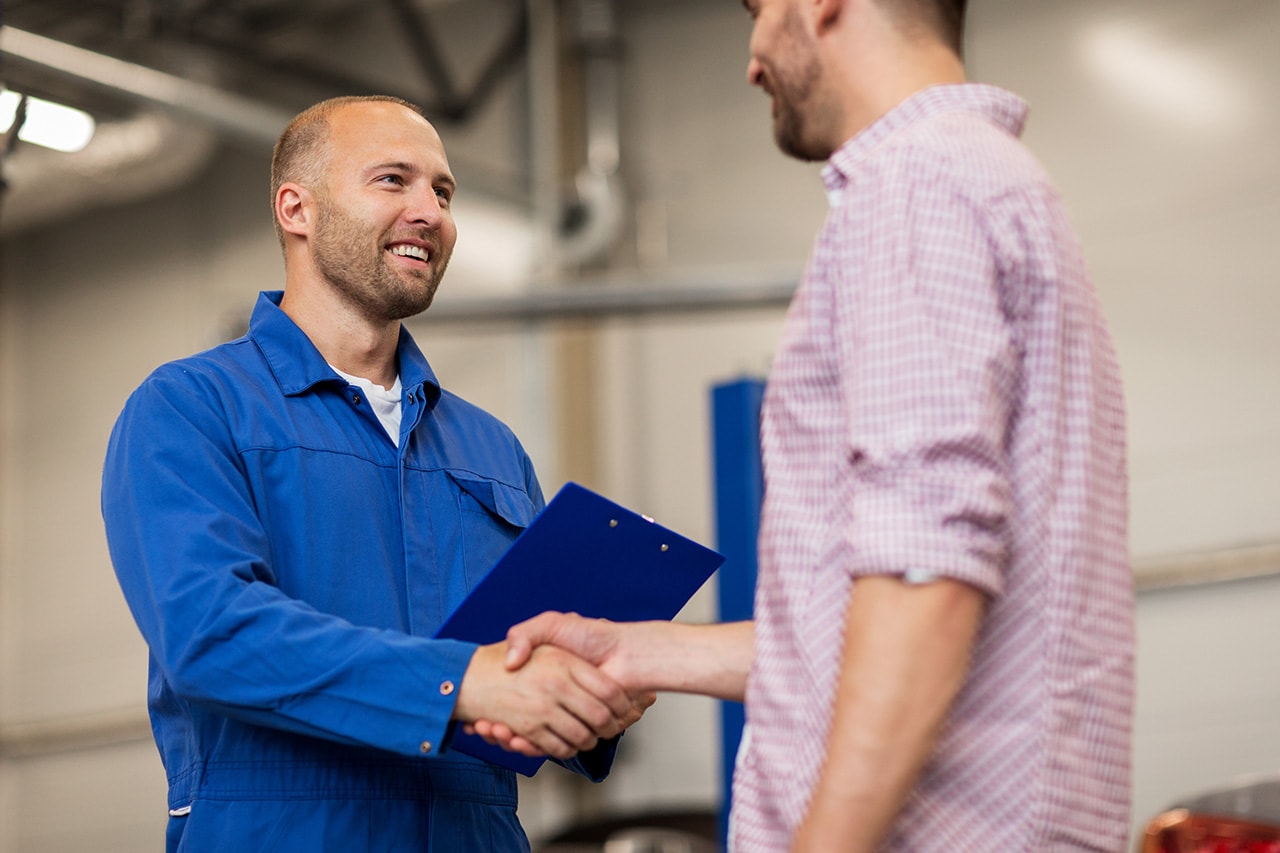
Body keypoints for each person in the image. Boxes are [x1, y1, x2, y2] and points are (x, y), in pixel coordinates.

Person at [475, 0, 1135, 850]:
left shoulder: (913, 187)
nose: (752, 60)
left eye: (757, 12)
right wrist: (641, 653)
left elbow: (925, 575)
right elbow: (879, 617)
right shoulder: (995, 183)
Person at [101, 95, 648, 853]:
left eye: (444, 191)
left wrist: (591, 698)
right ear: (298, 209)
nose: (430, 211)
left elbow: (525, 668)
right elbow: (212, 634)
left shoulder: (492, 448)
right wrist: (461, 683)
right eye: (393, 180)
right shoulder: (192, 409)